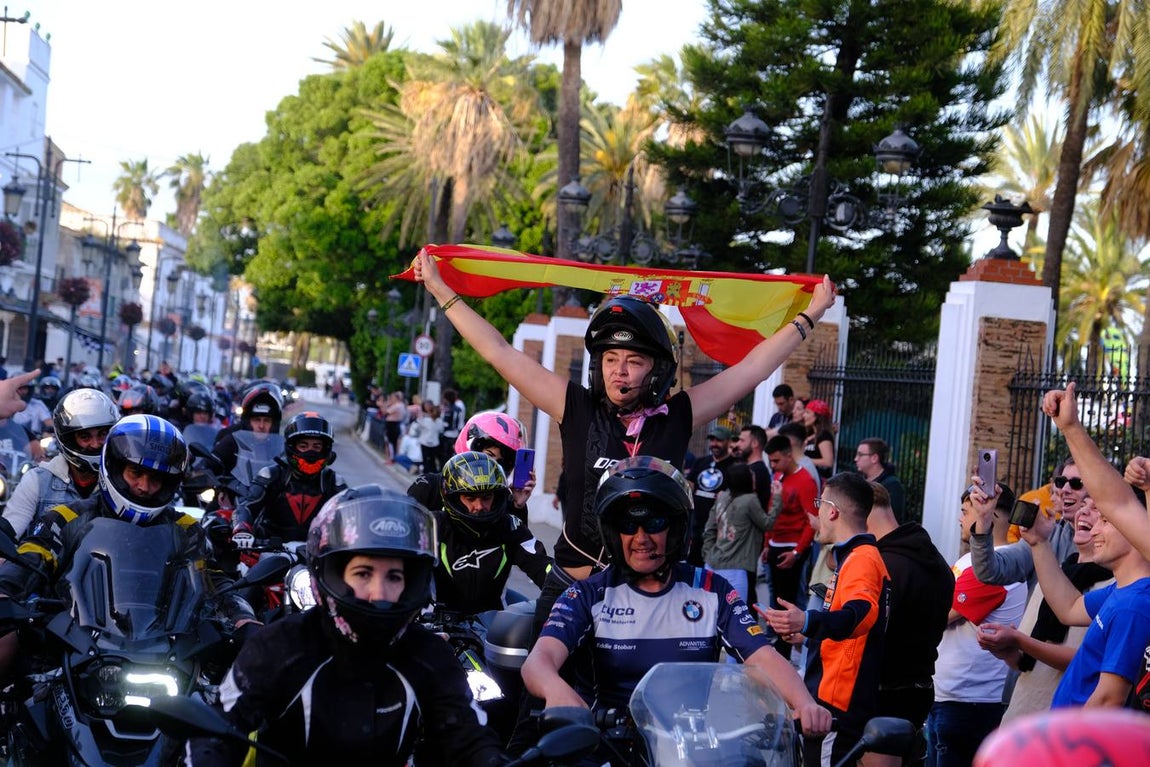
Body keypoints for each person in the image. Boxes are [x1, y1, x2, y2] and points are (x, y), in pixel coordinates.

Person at [412, 249, 834, 589]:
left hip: (651, 596)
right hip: (571, 587)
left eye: (634, 361)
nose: (620, 371)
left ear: (657, 371)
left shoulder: (678, 416)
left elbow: (750, 370)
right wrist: (439, 288)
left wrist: (811, 315)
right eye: (611, 359)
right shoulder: (575, 408)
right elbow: (499, 353)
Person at [187, 484, 507, 767]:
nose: (378, 593)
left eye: (394, 576)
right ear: (332, 575)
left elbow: (471, 738)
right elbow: (219, 731)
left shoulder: (430, 656)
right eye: (363, 573)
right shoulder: (280, 647)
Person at [519, 456, 832, 737]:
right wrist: (557, 692)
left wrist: (805, 703)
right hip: (607, 749)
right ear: (614, 534)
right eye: (629, 525)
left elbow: (762, 656)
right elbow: (538, 662)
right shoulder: (587, 594)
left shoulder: (712, 589)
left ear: (677, 530)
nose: (641, 538)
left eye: (655, 523)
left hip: (690, 748)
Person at [764, 473, 890, 767]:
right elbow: (846, 623)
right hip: (832, 700)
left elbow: (860, 615)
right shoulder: (856, 557)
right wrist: (806, 633)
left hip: (838, 704)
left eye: (819, 503)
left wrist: (806, 621)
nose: (816, 512)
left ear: (832, 510)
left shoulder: (862, 558)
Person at [976, 495, 1114, 720]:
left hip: (1062, 726)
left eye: (1097, 508)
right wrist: (1008, 651)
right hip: (1021, 714)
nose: (1083, 512)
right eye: (1083, 505)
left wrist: (1020, 641)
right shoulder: (1054, 573)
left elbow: (1087, 659)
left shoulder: (1115, 587)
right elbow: (1028, 661)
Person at [926, 480, 1026, 767]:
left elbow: (938, 615)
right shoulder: (975, 559)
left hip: (968, 702)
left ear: (990, 513)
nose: (960, 518)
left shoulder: (1003, 563)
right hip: (951, 695)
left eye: (966, 510)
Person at [865, 482, 953, 767]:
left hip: (884, 691)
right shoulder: (935, 558)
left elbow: (874, 634)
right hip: (919, 687)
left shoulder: (882, 564)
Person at [431, 451, 551, 614]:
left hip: (492, 630)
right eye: (470, 498)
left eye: (486, 497)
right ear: (452, 497)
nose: (479, 506)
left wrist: (572, 593)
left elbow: (543, 566)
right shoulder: (432, 525)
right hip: (438, 627)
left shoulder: (510, 526)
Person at [2, 388, 119, 538]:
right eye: (85, 436)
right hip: (48, 561)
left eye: (102, 434)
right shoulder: (37, 481)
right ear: (69, 439)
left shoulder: (121, 481)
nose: (95, 444)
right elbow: (9, 532)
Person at [231, 411, 347, 545]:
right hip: (269, 551)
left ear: (325, 449)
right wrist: (241, 528)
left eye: (317, 446)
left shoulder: (333, 482)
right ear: (292, 447)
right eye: (303, 446)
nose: (310, 451)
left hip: (317, 557)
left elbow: (351, 518)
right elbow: (247, 507)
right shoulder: (271, 475)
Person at [970, 459, 1084, 591]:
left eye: (1076, 484)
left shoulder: (1109, 542)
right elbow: (989, 571)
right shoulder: (1047, 533)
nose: (1064, 490)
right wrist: (983, 520)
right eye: (1061, 482)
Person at [409, 410, 535, 523]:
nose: (492, 466)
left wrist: (518, 506)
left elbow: (520, 543)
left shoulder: (501, 499)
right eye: (488, 456)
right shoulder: (428, 487)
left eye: (499, 461)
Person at [762, 434, 817, 658]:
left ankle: (784, 649)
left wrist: (797, 552)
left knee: (788, 600)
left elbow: (811, 521)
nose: (772, 465)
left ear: (787, 455)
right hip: (776, 544)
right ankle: (779, 643)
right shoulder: (778, 476)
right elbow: (771, 512)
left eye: (776, 460)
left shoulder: (805, 481)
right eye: (771, 461)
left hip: (792, 546)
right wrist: (767, 543)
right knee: (777, 598)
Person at [702, 461, 772, 605]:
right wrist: (777, 499)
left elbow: (709, 528)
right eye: (751, 474)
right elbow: (767, 523)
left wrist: (708, 553)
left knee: (710, 613)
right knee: (735, 615)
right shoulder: (750, 500)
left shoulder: (722, 496)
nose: (754, 477)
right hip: (735, 570)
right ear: (745, 479)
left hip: (711, 563)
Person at [686, 425, 739, 566]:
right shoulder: (701, 462)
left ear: (728, 442)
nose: (714, 444)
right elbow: (689, 484)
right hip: (696, 525)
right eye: (712, 440)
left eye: (719, 441)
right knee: (694, 565)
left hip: (718, 528)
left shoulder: (734, 466)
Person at [853, 437, 906, 522]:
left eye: (860, 454)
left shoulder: (892, 485)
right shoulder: (858, 482)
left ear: (874, 458)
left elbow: (892, 518)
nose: (855, 459)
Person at [801, 399, 836, 480]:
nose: (804, 415)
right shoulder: (811, 434)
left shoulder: (824, 435)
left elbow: (828, 462)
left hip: (819, 478)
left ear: (817, 416)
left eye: (807, 412)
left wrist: (805, 460)